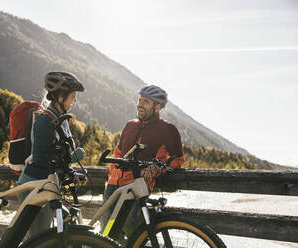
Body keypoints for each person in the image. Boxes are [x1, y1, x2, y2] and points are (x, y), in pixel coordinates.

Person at [102, 84, 185, 239]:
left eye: (146, 101)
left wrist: (158, 169)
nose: (139, 104)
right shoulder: (130, 125)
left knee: (134, 235)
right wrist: (113, 174)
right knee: (105, 236)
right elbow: (119, 152)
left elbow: (178, 159)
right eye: (139, 100)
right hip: (112, 186)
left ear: (157, 107)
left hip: (136, 188)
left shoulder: (167, 129)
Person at [18, 71, 85, 239]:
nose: (75, 100)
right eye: (73, 96)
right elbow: (41, 157)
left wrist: (70, 171)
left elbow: (58, 154)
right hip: (34, 186)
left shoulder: (61, 119)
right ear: (60, 97)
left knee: (58, 230)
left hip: (48, 185)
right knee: (38, 239)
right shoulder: (45, 121)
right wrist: (69, 160)